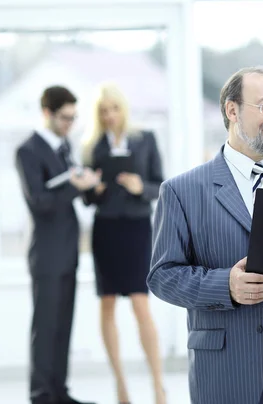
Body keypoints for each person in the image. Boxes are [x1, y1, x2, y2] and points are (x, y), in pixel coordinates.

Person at [147, 66, 263, 404]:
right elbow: (163, 276)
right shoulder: (182, 190)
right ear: (231, 110)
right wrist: (226, 286)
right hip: (230, 364)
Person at [81, 83, 165, 404]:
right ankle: (121, 386)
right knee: (107, 303)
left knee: (141, 303)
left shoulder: (145, 139)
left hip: (136, 228)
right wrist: (94, 189)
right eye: (103, 112)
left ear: (123, 109)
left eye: (114, 109)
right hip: (106, 230)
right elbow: (88, 198)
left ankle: (158, 386)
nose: (110, 116)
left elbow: (160, 185)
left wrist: (138, 185)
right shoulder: (91, 147)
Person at [15, 85, 99, 404]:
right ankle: (40, 395)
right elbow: (39, 202)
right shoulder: (28, 150)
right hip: (47, 253)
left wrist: (88, 185)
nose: (70, 124)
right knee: (46, 326)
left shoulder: (64, 147)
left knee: (63, 324)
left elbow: (71, 194)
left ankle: (59, 392)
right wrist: (76, 187)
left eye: (74, 118)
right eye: (65, 117)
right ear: (47, 113)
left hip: (67, 251)